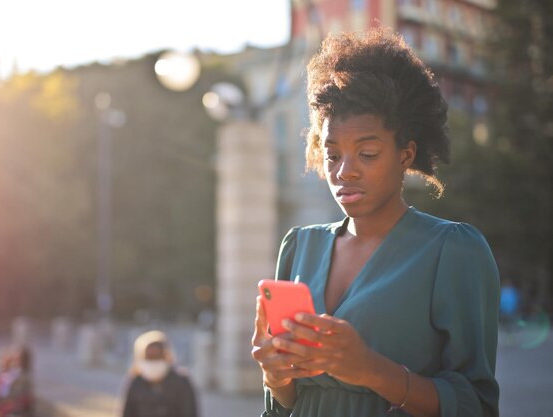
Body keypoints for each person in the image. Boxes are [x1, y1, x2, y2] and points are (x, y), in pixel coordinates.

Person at [251, 28, 500, 417]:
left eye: (367, 153)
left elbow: (476, 406)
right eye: (332, 155)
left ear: (406, 154)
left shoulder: (452, 250)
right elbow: (286, 407)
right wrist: (276, 377)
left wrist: (370, 370)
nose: (344, 172)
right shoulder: (300, 246)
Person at [122, 330, 198, 417]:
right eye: (149, 358)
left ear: (167, 357)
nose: (153, 362)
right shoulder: (135, 383)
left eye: (157, 357)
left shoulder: (181, 383)